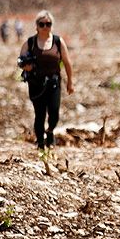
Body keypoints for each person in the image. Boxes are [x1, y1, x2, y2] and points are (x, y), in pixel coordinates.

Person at [19, 9, 74, 149]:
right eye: (41, 24)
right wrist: (27, 66)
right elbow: (20, 60)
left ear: (52, 25)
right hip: (36, 83)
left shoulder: (57, 41)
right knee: (40, 113)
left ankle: (50, 131)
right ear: (36, 26)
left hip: (54, 82)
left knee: (54, 113)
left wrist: (70, 82)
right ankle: (41, 142)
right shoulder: (30, 42)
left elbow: (67, 62)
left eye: (48, 24)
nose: (45, 27)